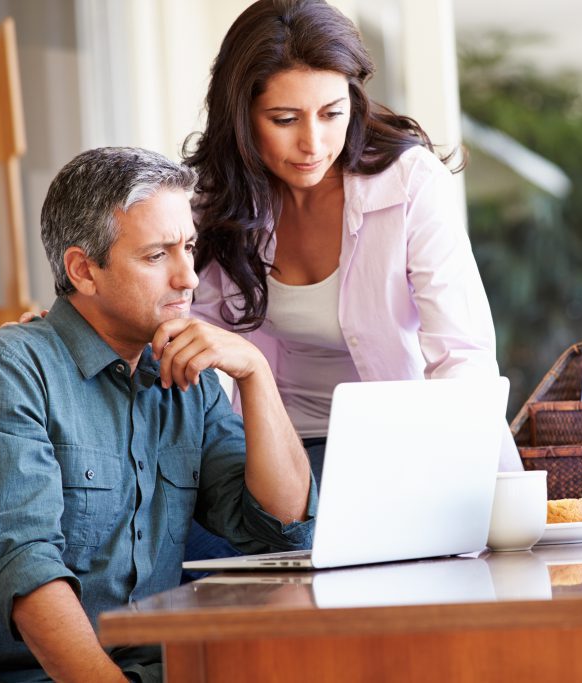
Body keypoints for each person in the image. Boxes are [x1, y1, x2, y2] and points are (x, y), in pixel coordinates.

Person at [0, 147, 315, 682]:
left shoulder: (185, 378)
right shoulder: (1, 375)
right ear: (84, 270)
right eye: (157, 256)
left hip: (158, 666)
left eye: (189, 248)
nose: (189, 278)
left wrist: (255, 375)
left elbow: (282, 530)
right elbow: (28, 574)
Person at [185, 0, 522, 487]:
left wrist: (455, 481)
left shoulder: (408, 182)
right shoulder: (213, 200)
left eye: (331, 113)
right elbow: (195, 333)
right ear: (241, 118)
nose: (314, 143)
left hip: (404, 449)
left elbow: (460, 353)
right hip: (271, 454)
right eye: (284, 119)